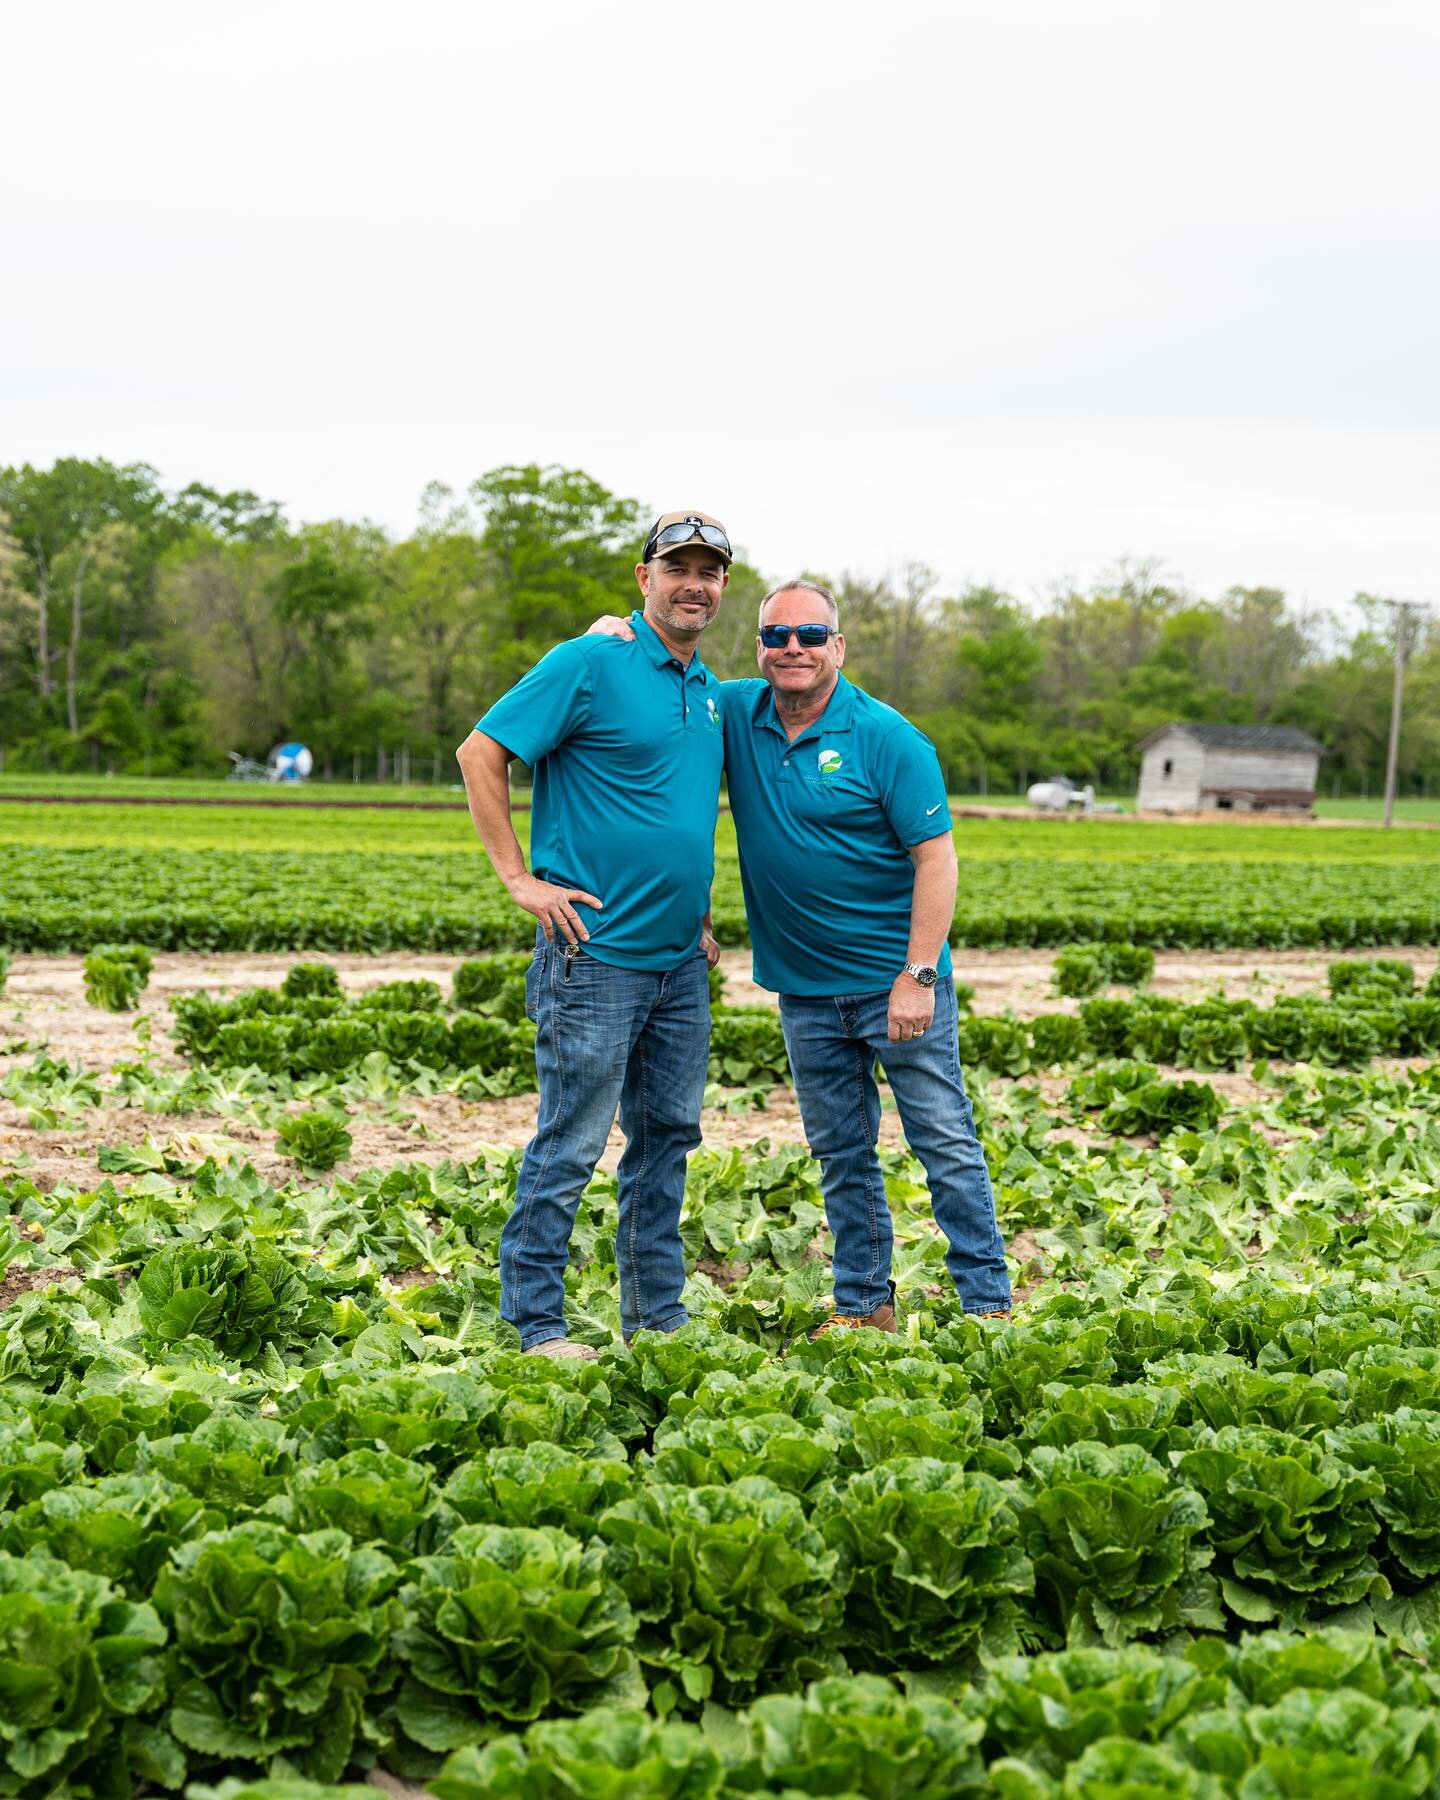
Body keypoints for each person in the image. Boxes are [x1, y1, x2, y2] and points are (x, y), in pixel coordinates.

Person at [588, 580, 1012, 1335]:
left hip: (895, 986)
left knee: (942, 1140)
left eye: (811, 636)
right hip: (807, 992)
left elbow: (937, 861)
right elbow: (667, 709)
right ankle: (863, 1304)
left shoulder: (887, 738)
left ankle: (988, 1304)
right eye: (777, 636)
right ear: (759, 648)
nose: (794, 649)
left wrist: (918, 976)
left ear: (837, 647)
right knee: (841, 1152)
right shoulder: (736, 713)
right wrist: (610, 635)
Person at [455, 511, 732, 1358]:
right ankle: (534, 1324)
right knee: (571, 1142)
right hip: (595, 956)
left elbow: (670, 806)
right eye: (677, 566)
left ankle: (656, 1320)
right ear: (643, 577)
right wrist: (518, 877)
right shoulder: (589, 661)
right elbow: (480, 752)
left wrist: (701, 911)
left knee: (666, 1142)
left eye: (710, 572)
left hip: (679, 962)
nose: (694, 583)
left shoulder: (709, 689)